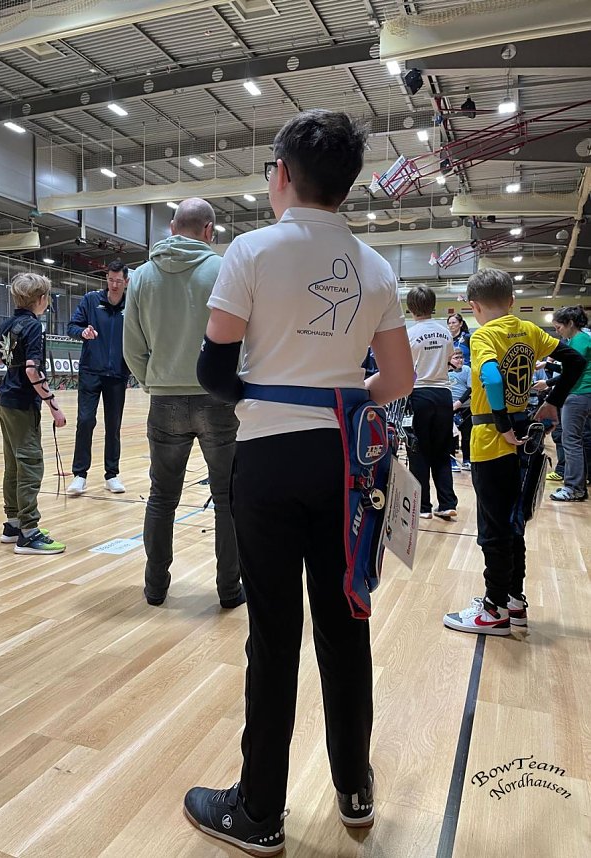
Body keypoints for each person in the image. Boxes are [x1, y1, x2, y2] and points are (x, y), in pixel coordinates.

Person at [182, 109, 414, 856]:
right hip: (348, 465)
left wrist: (265, 393)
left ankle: (259, 811)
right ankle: (353, 788)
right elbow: (399, 378)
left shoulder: (249, 250)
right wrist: (340, 396)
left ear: (281, 173)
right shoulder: (376, 267)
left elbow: (213, 371)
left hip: (270, 462)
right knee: (346, 625)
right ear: (343, 187)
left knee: (273, 637)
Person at [443, 269, 585, 636]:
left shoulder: (483, 335)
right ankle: (514, 600)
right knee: (513, 521)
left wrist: (502, 425)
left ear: (473, 307)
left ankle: (494, 610)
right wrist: (553, 401)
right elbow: (576, 361)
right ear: (510, 301)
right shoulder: (529, 330)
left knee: (493, 527)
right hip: (524, 434)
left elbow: (490, 378)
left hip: (494, 438)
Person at [123, 198, 243, 610]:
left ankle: (156, 587)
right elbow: (243, 339)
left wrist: (150, 380)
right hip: (218, 399)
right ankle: (230, 589)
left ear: (173, 228)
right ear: (209, 231)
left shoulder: (140, 277)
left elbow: (132, 346)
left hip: (165, 401)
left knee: (162, 496)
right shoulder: (224, 269)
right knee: (228, 498)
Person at [0, 273, 67, 555]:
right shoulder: (33, 327)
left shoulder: (7, 324)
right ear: (41, 300)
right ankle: (29, 533)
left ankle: (13, 523)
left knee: (13, 464)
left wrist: (12, 358)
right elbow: (32, 369)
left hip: (5, 401)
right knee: (30, 464)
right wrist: (53, 404)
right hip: (22, 404)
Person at [66, 260, 130, 496]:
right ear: (106, 278)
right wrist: (82, 332)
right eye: (110, 280)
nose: (114, 285)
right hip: (90, 372)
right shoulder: (91, 300)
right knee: (85, 421)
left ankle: (112, 474)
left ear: (126, 281)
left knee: (113, 426)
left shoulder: (132, 304)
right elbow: (72, 326)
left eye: (119, 281)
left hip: (118, 374)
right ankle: (79, 475)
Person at [407, 286, 459, 520]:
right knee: (441, 451)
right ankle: (447, 503)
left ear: (410, 308)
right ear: (433, 305)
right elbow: (449, 360)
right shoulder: (445, 333)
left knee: (418, 452)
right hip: (443, 395)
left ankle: (422, 507)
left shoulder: (408, 334)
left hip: (419, 394)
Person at [546, 306, 591, 502]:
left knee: (570, 441)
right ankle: (580, 485)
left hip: (579, 393)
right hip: (583, 393)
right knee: (578, 440)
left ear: (570, 323)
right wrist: (546, 365)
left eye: (558, 328)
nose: (558, 332)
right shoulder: (582, 339)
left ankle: (574, 487)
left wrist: (551, 394)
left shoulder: (579, 340)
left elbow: (573, 369)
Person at [448, 348, 472, 471]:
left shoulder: (467, 370)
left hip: (465, 408)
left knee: (467, 436)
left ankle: (467, 460)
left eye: (461, 357)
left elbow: (470, 389)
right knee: (452, 436)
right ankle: (452, 461)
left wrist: (459, 402)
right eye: (456, 358)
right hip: (450, 408)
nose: (460, 360)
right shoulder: (445, 371)